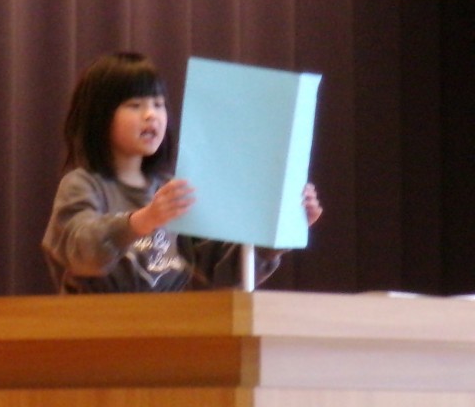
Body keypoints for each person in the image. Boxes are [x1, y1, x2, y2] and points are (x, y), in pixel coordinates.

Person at [41, 52, 323, 294]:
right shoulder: (82, 185)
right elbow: (80, 251)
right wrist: (143, 220)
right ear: (100, 116)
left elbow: (222, 270)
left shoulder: (173, 189)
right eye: (135, 105)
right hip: (97, 328)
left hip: (172, 327)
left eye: (159, 104)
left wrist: (280, 233)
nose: (151, 115)